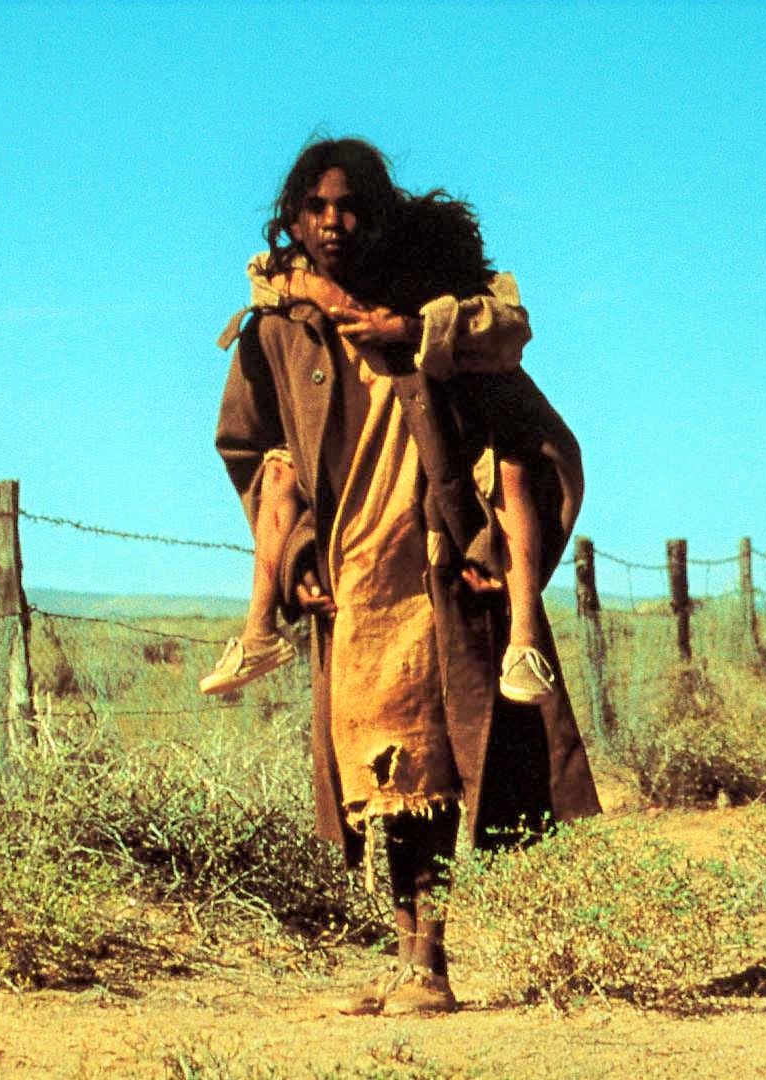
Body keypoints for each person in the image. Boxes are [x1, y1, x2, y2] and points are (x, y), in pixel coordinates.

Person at [214, 137, 602, 1016]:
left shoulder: (441, 311)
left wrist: (412, 333)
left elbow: (511, 359)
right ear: (293, 217)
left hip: (431, 564)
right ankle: (404, 954)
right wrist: (298, 558)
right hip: (350, 577)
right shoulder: (276, 329)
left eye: (349, 205)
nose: (333, 221)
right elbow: (257, 450)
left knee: (434, 767)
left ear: (381, 213)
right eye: (315, 206)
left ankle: (431, 962)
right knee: (374, 782)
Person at [198, 192, 566, 706]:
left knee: (511, 470)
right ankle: (259, 631)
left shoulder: (459, 308)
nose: (333, 225)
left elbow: (506, 329)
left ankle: (523, 639)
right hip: (357, 536)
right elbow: (264, 274)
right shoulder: (303, 314)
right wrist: (323, 294)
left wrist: (411, 330)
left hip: (453, 483)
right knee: (280, 470)